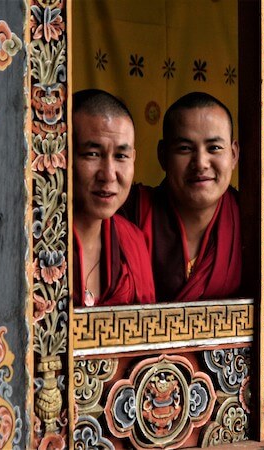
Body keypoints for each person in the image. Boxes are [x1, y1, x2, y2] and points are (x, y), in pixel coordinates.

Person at [122, 92, 241, 301]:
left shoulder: (254, 220)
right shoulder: (130, 212)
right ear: (163, 155)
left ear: (233, 155)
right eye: (185, 149)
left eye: (214, 148)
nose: (201, 163)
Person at [72, 89, 155, 306]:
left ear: (134, 159)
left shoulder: (134, 242)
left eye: (121, 156)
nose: (108, 175)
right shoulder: (37, 240)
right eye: (93, 154)